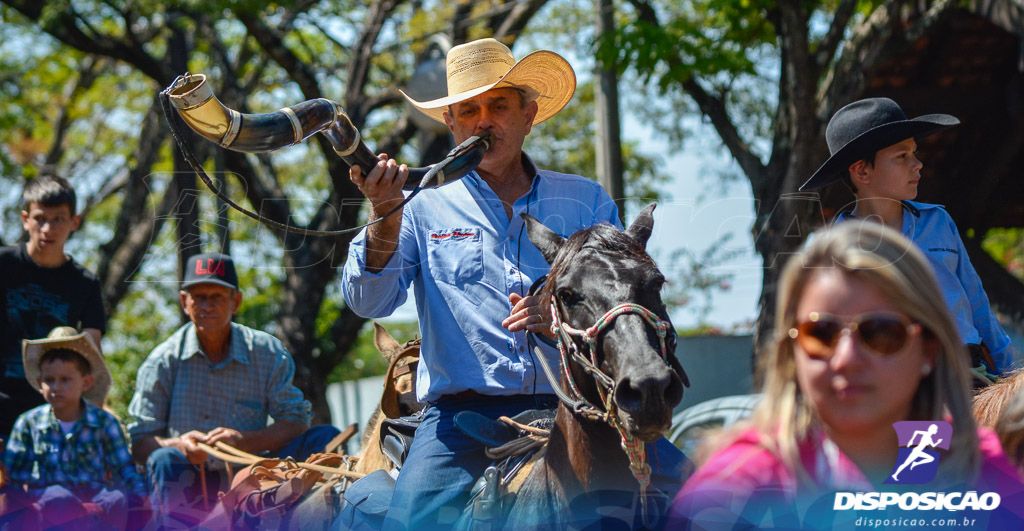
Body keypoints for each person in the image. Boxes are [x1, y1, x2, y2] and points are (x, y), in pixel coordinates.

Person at [342, 37, 687, 530]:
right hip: (458, 420)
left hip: (585, 408)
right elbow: (367, 299)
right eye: (469, 109)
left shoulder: (586, 199)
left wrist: (559, 319)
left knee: (708, 499)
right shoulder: (414, 205)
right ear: (452, 124)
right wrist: (383, 217)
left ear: (529, 114)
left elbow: (625, 299)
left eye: (499, 106)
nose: (484, 120)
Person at [668, 222, 1024, 530]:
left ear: (929, 350)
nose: (846, 359)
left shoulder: (991, 478)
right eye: (820, 334)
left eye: (881, 332)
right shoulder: (731, 492)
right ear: (791, 354)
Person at [799, 97, 1012, 381]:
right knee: (926, 427)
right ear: (862, 170)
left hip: (967, 373)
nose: (918, 164)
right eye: (902, 156)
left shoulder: (938, 222)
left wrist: (1009, 372)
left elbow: (976, 301)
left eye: (914, 153)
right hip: (890, 379)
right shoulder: (833, 250)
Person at [126, 252, 339, 527]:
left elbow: (296, 422)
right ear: (184, 302)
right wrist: (180, 445)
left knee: (324, 438)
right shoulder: (162, 361)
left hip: (255, 471)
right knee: (164, 457)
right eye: (198, 297)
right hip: (189, 479)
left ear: (235, 302)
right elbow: (140, 442)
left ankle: (322, 521)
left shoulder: (266, 351)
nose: (206, 306)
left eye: (217, 297)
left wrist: (242, 441)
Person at [2, 327, 146, 531]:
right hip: (49, 508)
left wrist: (144, 496)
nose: (56, 387)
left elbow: (125, 469)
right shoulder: (28, 422)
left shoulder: (104, 423)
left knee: (116, 499)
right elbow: (15, 477)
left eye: (65, 379)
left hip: (95, 501)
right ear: (39, 383)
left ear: (86, 383)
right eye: (49, 380)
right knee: (58, 497)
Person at [1, 174, 105, 438]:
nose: (48, 229)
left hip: (51, 408)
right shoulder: (4, 264)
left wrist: (93, 424)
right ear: (26, 220)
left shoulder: (85, 283)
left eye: (58, 219)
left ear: (74, 222)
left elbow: (92, 355)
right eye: (40, 218)